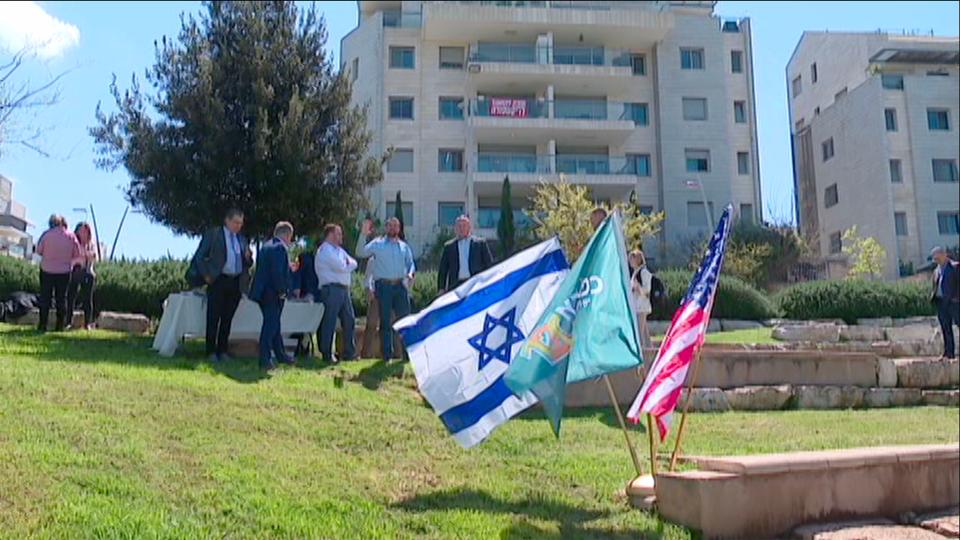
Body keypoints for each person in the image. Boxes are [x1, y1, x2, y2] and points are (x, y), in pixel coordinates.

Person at [187, 209, 253, 363]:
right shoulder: (214, 235)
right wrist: (207, 275)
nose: (238, 226)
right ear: (227, 221)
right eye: (236, 222)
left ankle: (222, 350)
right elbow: (199, 257)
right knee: (213, 317)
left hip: (236, 282)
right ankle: (210, 351)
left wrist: (249, 258)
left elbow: (247, 263)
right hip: (218, 280)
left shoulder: (242, 239)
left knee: (227, 318)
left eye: (241, 223)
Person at [356, 217, 415, 362]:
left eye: (396, 226)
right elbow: (360, 252)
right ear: (386, 227)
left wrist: (410, 274)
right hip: (384, 286)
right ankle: (387, 355)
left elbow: (411, 264)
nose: (393, 228)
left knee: (405, 321)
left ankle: (406, 356)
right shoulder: (378, 243)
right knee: (385, 323)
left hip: (400, 286)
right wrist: (363, 234)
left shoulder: (404, 246)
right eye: (390, 225)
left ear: (399, 229)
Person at [250, 221, 296, 370]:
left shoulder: (267, 246)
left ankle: (280, 354)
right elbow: (277, 273)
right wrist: (282, 291)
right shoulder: (279, 248)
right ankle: (264, 359)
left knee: (275, 325)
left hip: (262, 292)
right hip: (272, 292)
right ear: (287, 234)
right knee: (270, 325)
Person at [315, 223, 358, 363]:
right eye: (338, 233)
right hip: (331, 289)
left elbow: (354, 263)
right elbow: (340, 266)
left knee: (349, 319)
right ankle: (327, 353)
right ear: (331, 235)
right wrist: (346, 265)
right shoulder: (325, 250)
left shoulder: (340, 251)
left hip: (344, 290)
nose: (341, 237)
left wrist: (347, 264)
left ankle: (349, 352)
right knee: (330, 322)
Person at [35, 214, 80, 332]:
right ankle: (60, 325)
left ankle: (42, 324)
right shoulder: (71, 236)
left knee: (45, 298)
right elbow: (76, 253)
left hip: (46, 270)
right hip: (64, 272)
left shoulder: (46, 235)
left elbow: (39, 251)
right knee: (61, 298)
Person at [437, 215, 494, 294]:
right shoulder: (449, 247)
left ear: (469, 227)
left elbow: (489, 265)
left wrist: (490, 282)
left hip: (475, 284)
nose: (461, 228)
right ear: (455, 228)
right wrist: (441, 288)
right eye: (459, 226)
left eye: (464, 225)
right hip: (455, 285)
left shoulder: (480, 244)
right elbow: (443, 269)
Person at [66, 222, 99, 329]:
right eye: (81, 231)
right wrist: (83, 256)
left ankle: (87, 323)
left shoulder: (91, 244)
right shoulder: (73, 242)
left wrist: (83, 255)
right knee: (71, 297)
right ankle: (68, 322)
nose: (83, 233)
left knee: (87, 299)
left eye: (85, 231)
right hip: (75, 272)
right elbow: (72, 258)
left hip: (88, 273)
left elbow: (93, 256)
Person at [930, 246, 960, 360]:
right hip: (941, 303)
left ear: (944, 254)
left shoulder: (955, 266)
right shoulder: (936, 270)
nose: (936, 260)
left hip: (954, 302)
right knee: (946, 328)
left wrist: (956, 298)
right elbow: (935, 285)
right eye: (934, 258)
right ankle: (949, 353)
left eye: (937, 257)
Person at [629, 249, 653, 349]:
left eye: (632, 259)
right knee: (644, 333)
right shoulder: (635, 273)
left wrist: (637, 287)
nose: (630, 262)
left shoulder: (643, 272)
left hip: (641, 306)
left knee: (639, 332)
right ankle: (650, 349)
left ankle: (641, 353)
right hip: (637, 306)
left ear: (637, 260)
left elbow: (646, 290)